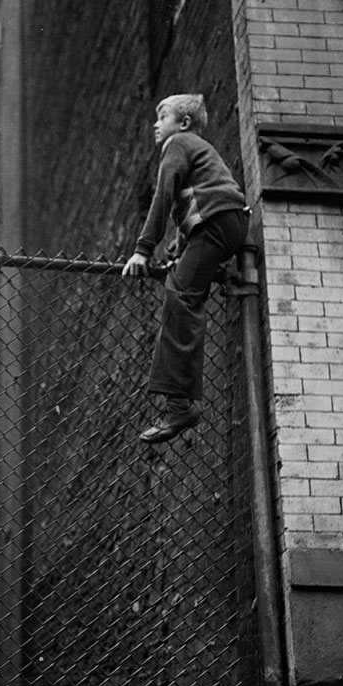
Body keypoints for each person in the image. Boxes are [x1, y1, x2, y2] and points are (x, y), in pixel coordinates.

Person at [122, 93, 249, 444]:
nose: (155, 124)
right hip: (227, 224)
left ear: (184, 122)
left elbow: (164, 196)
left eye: (162, 116)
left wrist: (143, 251)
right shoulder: (197, 149)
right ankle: (179, 400)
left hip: (215, 225)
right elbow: (192, 200)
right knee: (185, 288)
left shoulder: (177, 143)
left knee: (180, 297)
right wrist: (179, 247)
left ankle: (180, 405)